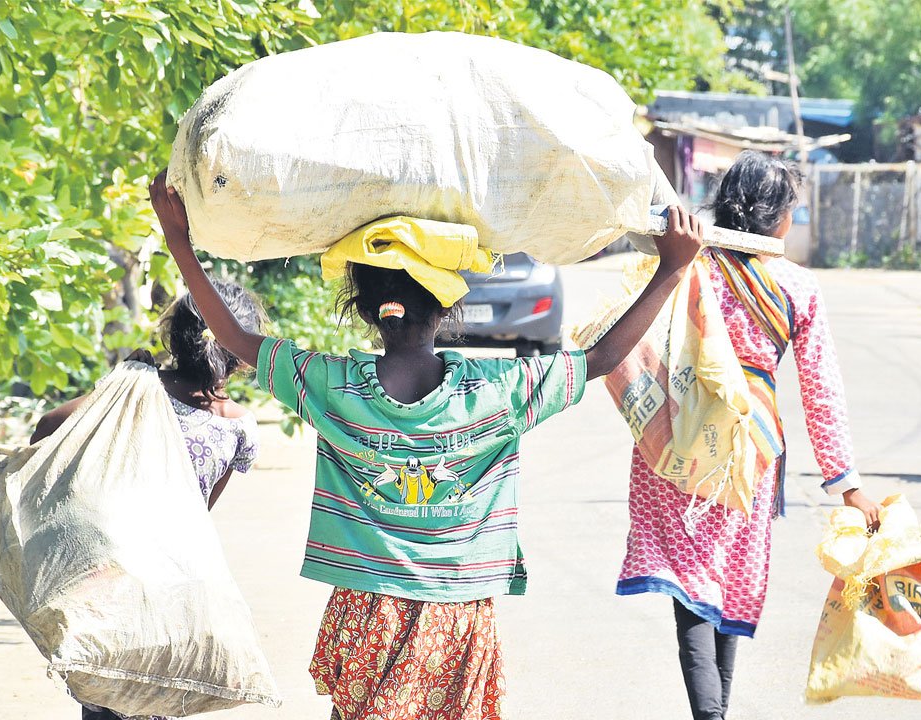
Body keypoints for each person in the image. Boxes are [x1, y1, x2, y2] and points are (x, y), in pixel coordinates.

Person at [148, 170, 703, 720]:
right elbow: (601, 360)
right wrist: (671, 268)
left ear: (365, 311)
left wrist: (179, 242)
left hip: (368, 609)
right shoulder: (496, 393)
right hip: (457, 616)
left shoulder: (330, 387)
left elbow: (237, 340)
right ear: (446, 310)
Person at [613, 152, 880, 720]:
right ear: (777, 216)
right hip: (749, 444)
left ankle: (710, 714)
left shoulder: (688, 264)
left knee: (692, 588)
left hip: (675, 433)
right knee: (726, 579)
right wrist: (847, 484)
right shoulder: (795, 285)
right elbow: (821, 389)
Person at [29, 281, 264, 720]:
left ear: (173, 337)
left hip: (105, 582)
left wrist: (115, 391)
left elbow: (46, 428)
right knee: (159, 698)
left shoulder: (135, 392)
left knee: (104, 701)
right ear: (241, 352)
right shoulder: (238, 428)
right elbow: (198, 513)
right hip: (176, 589)